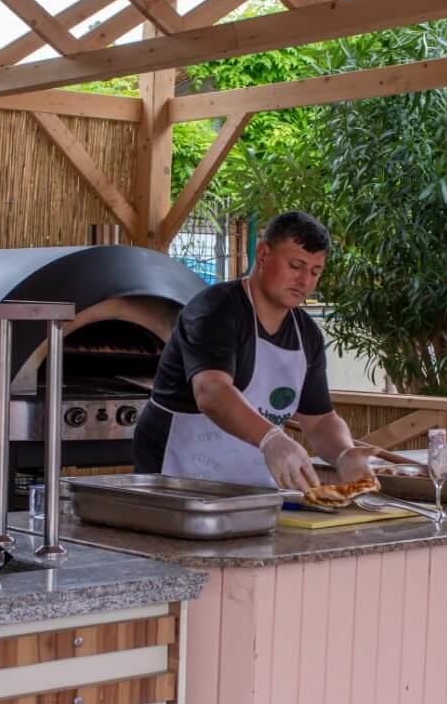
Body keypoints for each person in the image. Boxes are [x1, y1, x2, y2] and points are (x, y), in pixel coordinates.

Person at [133, 210, 376, 492]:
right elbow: (211, 392)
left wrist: (344, 453)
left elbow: (319, 419)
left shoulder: (306, 334)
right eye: (295, 265)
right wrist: (271, 438)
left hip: (252, 486)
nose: (304, 281)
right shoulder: (215, 310)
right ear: (263, 255)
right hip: (176, 476)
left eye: (315, 272)